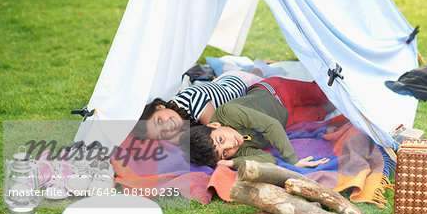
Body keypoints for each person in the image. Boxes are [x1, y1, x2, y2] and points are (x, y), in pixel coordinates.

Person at [179, 78, 334, 170]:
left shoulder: (228, 113)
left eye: (221, 140)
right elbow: (268, 159)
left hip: (276, 92)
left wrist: (293, 160)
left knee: (320, 93)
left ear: (214, 125)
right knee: (321, 112)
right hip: (286, 118)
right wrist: (231, 162)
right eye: (224, 153)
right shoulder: (236, 152)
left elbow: (271, 125)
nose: (231, 145)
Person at [132, 59, 282, 142]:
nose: (167, 127)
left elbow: (218, 129)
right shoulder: (178, 115)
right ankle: (234, 68)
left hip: (240, 83)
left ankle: (257, 67)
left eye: (158, 121)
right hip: (221, 83)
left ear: (159, 107)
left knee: (264, 78)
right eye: (161, 134)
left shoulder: (191, 99)